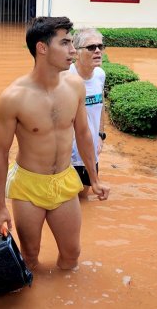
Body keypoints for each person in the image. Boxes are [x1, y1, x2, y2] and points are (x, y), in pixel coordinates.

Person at [0, 17, 110, 270]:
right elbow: (0, 154)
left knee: (71, 254)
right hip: (28, 186)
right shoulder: (13, 97)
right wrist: (0, 207)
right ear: (42, 48)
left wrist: (95, 178)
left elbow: (83, 134)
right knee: (30, 256)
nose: (73, 51)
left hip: (65, 180)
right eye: (65, 43)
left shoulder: (75, 86)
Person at [69, 28, 107, 199]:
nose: (98, 50)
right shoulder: (65, 77)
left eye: (100, 46)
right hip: (66, 155)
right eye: (91, 47)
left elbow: (101, 107)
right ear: (76, 52)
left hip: (91, 153)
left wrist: (100, 135)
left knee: (84, 197)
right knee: (68, 201)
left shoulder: (100, 75)